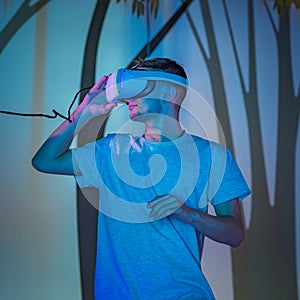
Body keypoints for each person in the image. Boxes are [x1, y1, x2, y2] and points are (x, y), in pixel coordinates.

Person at [32, 57, 251, 299]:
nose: (128, 97)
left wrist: (188, 214)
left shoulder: (212, 156)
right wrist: (84, 111)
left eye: (139, 85)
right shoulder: (111, 150)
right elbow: (44, 161)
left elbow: (235, 234)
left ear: (168, 91)